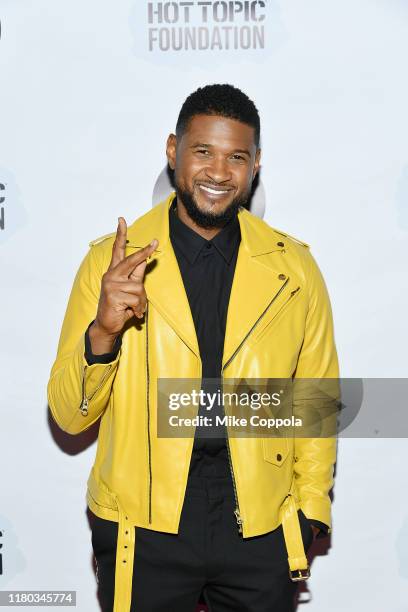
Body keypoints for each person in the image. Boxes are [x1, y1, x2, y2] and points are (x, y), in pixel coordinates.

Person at [47, 83, 339, 612]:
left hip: (260, 524)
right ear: (172, 151)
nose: (219, 173)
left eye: (237, 157)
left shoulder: (293, 269)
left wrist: (309, 508)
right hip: (144, 525)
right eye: (203, 152)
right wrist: (103, 334)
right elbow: (69, 416)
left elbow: (315, 396)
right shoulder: (111, 265)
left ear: (256, 165)